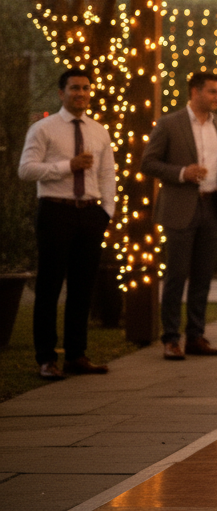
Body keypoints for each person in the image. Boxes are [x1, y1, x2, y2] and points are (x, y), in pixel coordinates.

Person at [18, 68, 116, 380]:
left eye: (86, 88)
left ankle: (77, 354)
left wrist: (106, 211)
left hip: (89, 213)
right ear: (62, 93)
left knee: (82, 287)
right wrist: (66, 166)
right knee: (49, 287)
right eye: (75, 88)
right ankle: (46, 359)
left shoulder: (99, 131)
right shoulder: (43, 129)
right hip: (55, 210)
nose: (82, 94)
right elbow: (26, 170)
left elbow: (107, 175)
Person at [141, 71, 217, 360]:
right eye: (212, 92)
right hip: (181, 207)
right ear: (194, 91)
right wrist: (182, 173)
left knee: (203, 276)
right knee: (176, 275)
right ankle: (170, 338)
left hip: (212, 206)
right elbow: (148, 162)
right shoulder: (170, 124)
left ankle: (196, 335)